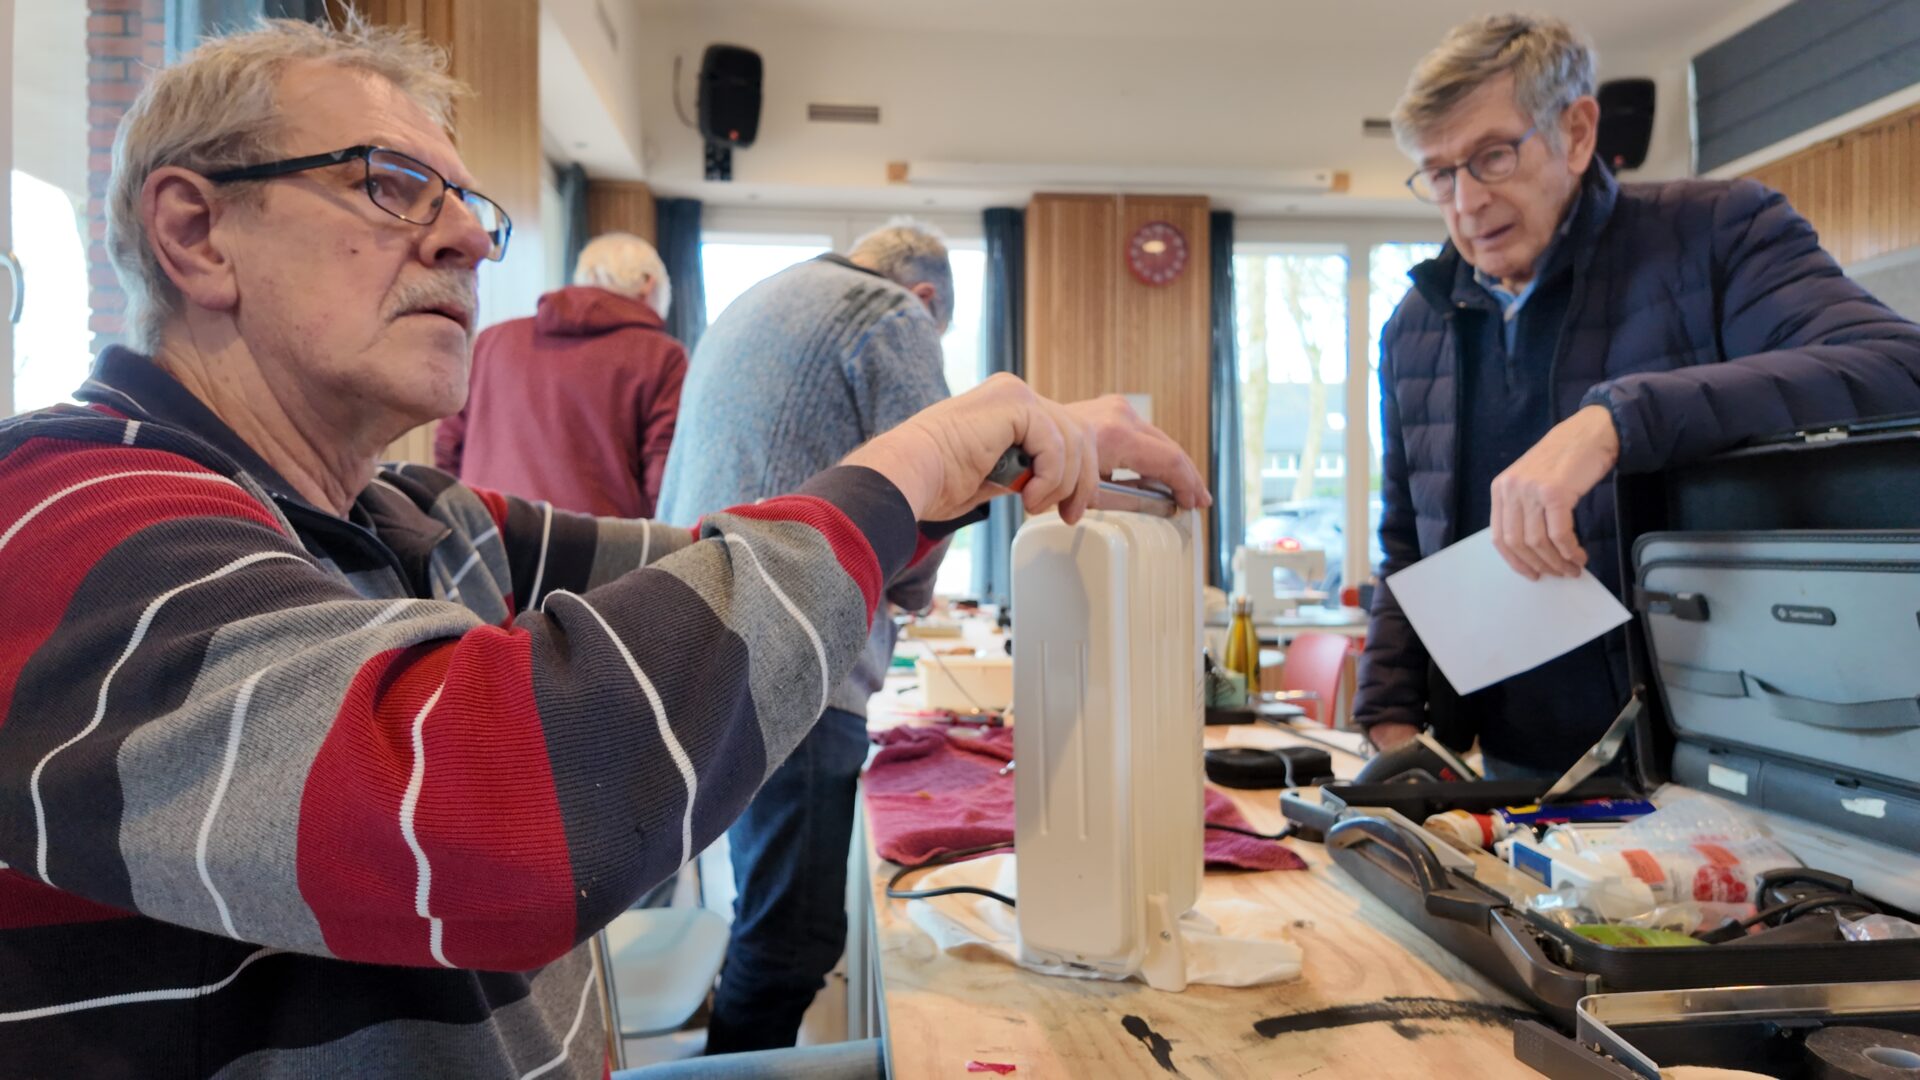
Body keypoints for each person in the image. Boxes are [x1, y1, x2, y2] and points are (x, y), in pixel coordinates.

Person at [0, 19, 1207, 1080]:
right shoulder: (58, 522)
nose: (469, 243)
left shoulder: (414, 517)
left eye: (469, 207)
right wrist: (915, 458)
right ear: (198, 232)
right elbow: (501, 822)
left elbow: (707, 576)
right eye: (390, 186)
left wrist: (985, 468)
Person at [1355, 13, 1920, 779]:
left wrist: (1615, 421)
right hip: (1512, 767)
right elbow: (1406, 547)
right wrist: (1390, 718)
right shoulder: (1415, 325)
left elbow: (1893, 366)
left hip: (1706, 762)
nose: (1467, 203)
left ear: (1578, 132)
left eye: (1492, 156)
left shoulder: (1717, 235)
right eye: (1442, 173)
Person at [655, 221, 956, 1054]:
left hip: (692, 632)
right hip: (793, 662)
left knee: (766, 916)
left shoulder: (763, 299)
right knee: (794, 940)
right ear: (926, 298)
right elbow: (936, 491)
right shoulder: (892, 313)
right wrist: (919, 589)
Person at [435, 231, 685, 519]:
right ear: (648, 284)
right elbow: (665, 480)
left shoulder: (490, 341)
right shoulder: (661, 356)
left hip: (486, 537)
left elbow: (447, 450)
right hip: (603, 550)